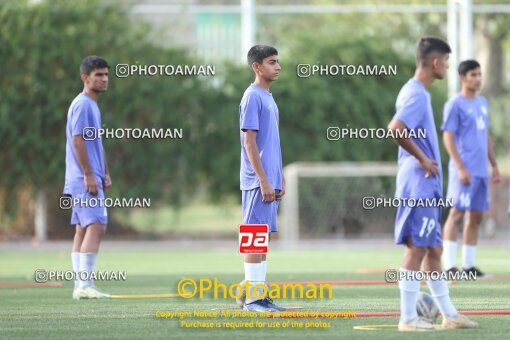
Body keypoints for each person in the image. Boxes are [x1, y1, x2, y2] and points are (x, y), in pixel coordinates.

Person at [387, 37, 478, 331]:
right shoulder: (417, 95)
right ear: (437, 62)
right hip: (419, 184)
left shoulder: (414, 92)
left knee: (434, 250)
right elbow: (396, 129)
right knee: (417, 249)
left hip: (425, 184)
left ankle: (449, 314)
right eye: (447, 62)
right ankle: (408, 319)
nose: (448, 67)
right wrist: (423, 159)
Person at [442, 60, 500, 278]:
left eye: (479, 74)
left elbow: (485, 136)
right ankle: (448, 267)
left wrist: (493, 164)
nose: (478, 79)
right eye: (473, 75)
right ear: (462, 78)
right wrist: (460, 168)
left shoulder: (482, 103)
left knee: (476, 217)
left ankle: (469, 267)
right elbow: (448, 137)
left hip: (481, 171)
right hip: (463, 171)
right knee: (456, 215)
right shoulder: (454, 104)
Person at [238, 45, 285, 312]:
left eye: (278, 62)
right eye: (271, 62)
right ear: (257, 67)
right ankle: (253, 300)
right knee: (254, 235)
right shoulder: (252, 96)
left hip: (269, 179)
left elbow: (271, 142)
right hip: (257, 181)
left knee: (262, 238)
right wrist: (264, 180)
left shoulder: (268, 96)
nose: (277, 66)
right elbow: (249, 143)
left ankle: (256, 295)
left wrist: (278, 177)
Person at [64, 55, 111, 299]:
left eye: (106, 75)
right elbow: (77, 139)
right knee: (97, 225)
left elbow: (96, 142)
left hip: (88, 176)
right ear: (85, 78)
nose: (104, 79)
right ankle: (84, 285)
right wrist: (89, 174)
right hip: (83, 179)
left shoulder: (92, 104)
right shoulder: (83, 104)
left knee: (82, 228)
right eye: (98, 75)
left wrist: (105, 171)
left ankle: (79, 287)